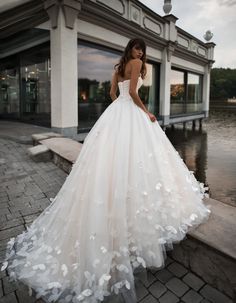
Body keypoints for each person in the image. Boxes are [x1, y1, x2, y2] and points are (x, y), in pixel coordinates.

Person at [1, 38, 211, 303]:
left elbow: (114, 95)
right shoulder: (135, 64)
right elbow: (134, 93)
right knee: (139, 161)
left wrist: (120, 107)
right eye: (138, 49)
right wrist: (146, 113)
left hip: (116, 114)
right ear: (131, 50)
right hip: (132, 112)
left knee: (114, 162)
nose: (140, 53)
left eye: (142, 51)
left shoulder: (118, 68)